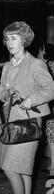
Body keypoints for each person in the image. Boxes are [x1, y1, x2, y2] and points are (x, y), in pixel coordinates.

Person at [0, 21, 54, 194]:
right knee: (22, 169)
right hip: (12, 122)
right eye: (7, 38)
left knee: (10, 168)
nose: (9, 42)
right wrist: (6, 95)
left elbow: (50, 89)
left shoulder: (35, 64)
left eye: (14, 38)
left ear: (24, 40)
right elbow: (1, 93)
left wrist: (31, 99)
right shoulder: (6, 66)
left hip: (29, 123)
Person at [37, 42, 54, 180]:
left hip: (49, 106)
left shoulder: (44, 66)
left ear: (43, 51)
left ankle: (52, 168)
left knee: (50, 136)